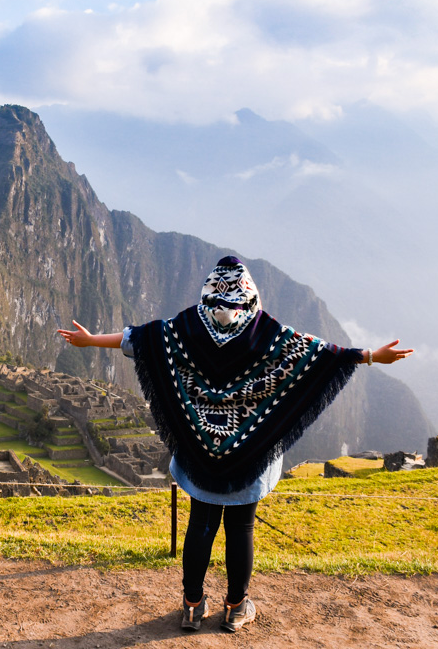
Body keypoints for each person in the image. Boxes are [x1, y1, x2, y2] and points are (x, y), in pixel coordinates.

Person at [57, 256, 412, 633]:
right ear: (250, 295)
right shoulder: (265, 331)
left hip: (198, 451)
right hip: (249, 455)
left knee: (200, 524)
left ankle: (192, 607)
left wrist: (90, 340)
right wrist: (371, 356)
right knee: (241, 528)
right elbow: (317, 355)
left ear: (209, 291)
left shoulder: (187, 326)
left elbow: (141, 340)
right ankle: (236, 607)